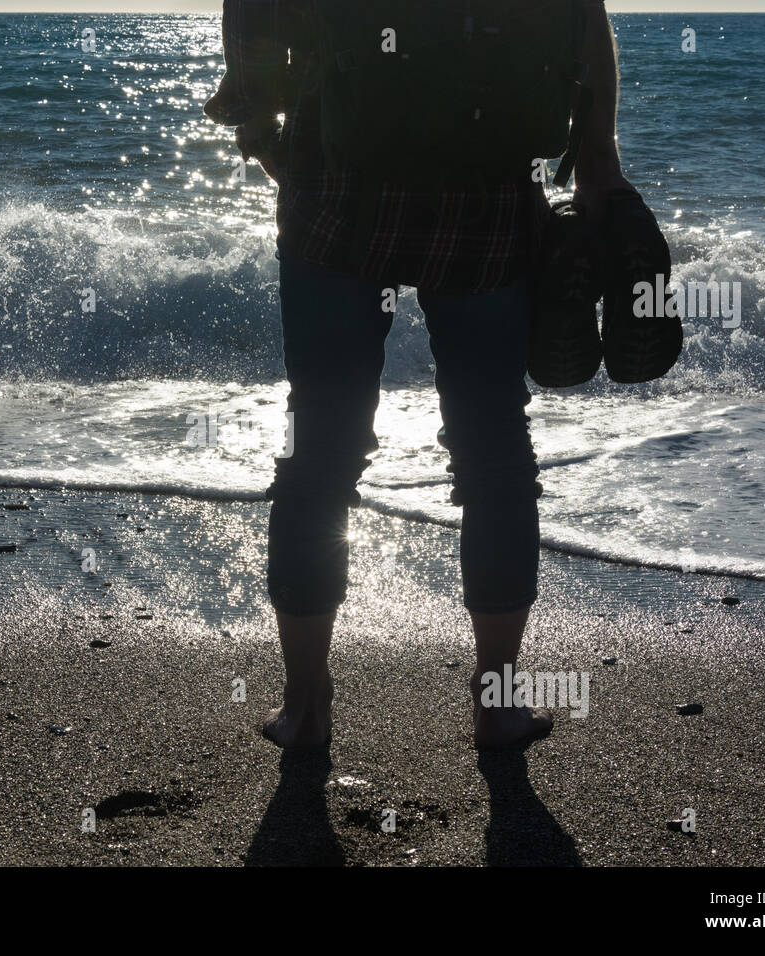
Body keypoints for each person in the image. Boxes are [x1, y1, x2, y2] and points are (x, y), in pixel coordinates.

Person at [205, 0, 635, 749]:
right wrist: (596, 155)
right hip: (488, 199)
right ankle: (496, 702)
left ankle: (306, 706)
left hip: (335, 197)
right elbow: (579, 14)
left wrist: (259, 122)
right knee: (495, 446)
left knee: (321, 452)